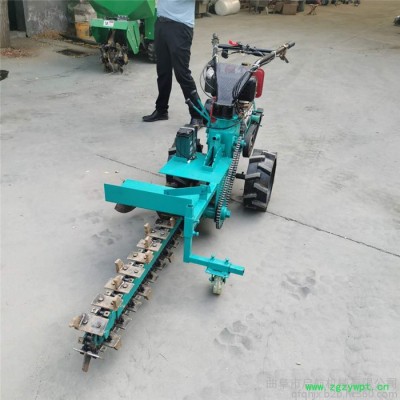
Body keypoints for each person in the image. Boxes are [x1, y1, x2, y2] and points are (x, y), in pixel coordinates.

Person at [142, 0, 204, 126]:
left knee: (182, 73)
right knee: (163, 71)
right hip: (161, 23)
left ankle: (198, 115)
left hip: (180, 26)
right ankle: (161, 110)